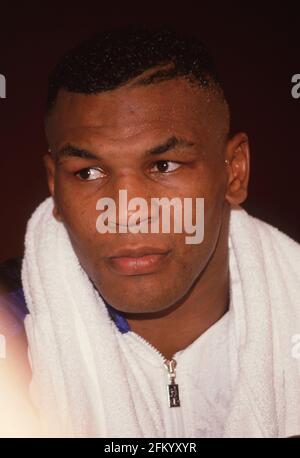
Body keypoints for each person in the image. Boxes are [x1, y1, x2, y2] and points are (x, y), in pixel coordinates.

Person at [0, 26, 300, 438]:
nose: (127, 212)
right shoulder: (10, 331)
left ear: (235, 171)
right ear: (55, 186)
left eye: (164, 165)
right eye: (88, 172)